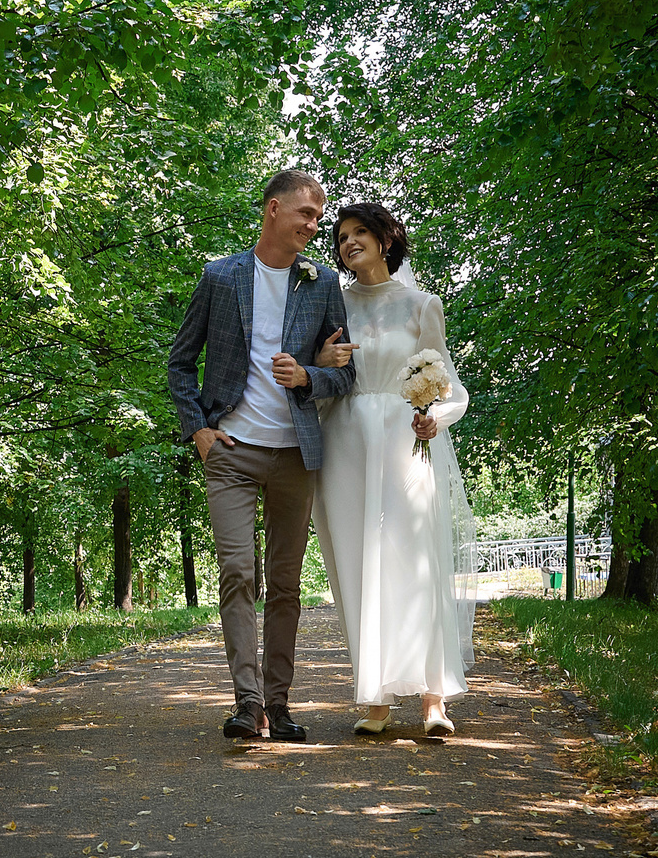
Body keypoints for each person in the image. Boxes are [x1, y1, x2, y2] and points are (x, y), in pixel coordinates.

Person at [166, 169, 356, 742]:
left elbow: (347, 375)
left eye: (319, 217)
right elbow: (180, 361)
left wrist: (309, 376)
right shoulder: (220, 277)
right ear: (273, 210)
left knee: (287, 584)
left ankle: (280, 702)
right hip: (232, 450)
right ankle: (248, 705)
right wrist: (197, 428)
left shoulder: (321, 285)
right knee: (236, 573)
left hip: (297, 454)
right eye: (306, 214)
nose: (314, 226)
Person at [311, 201, 474, 736]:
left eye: (359, 232)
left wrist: (436, 419)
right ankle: (376, 698)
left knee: (414, 559)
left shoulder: (423, 305)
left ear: (386, 241)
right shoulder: (330, 306)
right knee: (357, 565)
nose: (347, 242)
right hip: (345, 441)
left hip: (405, 441)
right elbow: (317, 373)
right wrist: (320, 365)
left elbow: (451, 387)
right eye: (340, 236)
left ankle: (433, 700)